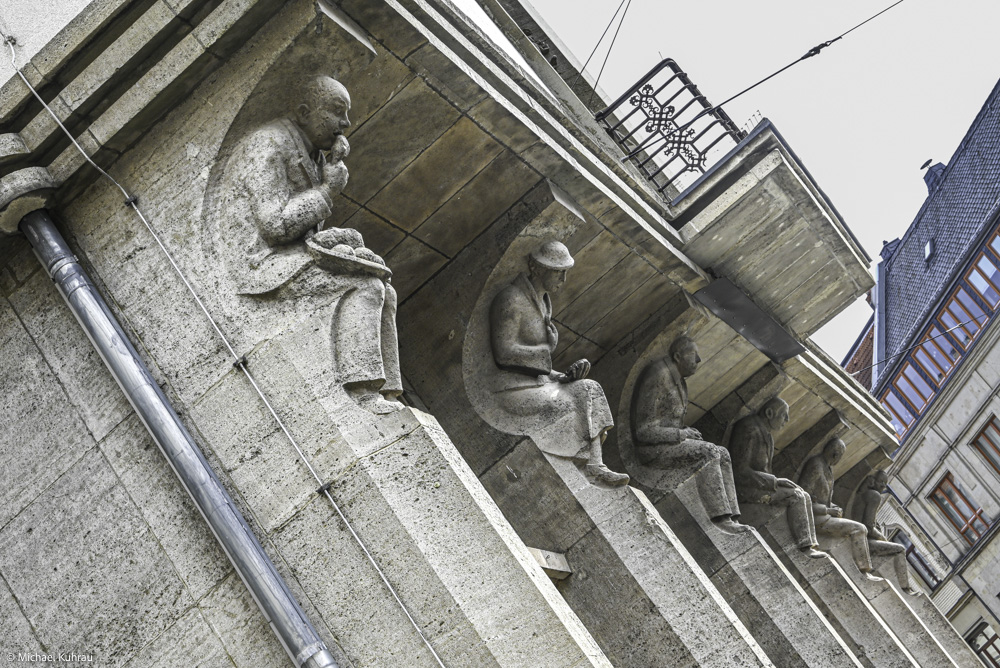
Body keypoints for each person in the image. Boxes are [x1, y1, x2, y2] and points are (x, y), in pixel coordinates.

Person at [219, 75, 401, 414]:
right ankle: (361, 392)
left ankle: (388, 392)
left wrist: (332, 234)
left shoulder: (314, 153)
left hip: (290, 253)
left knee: (387, 290)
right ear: (304, 111)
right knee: (365, 287)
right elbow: (275, 225)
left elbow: (302, 226)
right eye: (336, 112)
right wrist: (329, 191)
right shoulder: (269, 144)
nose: (345, 124)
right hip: (261, 263)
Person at [489, 240, 628, 486]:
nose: (563, 279)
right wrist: (547, 350)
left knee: (589, 387)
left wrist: (560, 376)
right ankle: (584, 465)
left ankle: (595, 465)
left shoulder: (543, 303)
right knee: (567, 404)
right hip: (512, 389)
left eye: (565, 272)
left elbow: (537, 367)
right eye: (558, 271)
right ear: (539, 269)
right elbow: (504, 352)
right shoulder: (511, 299)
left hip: (538, 384)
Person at [631, 336, 749, 533]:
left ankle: (731, 516)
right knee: (709, 452)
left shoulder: (680, 382)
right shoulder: (658, 375)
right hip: (652, 450)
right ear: (677, 356)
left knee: (723, 453)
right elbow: (643, 432)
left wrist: (685, 432)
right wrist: (681, 435)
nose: (699, 360)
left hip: (670, 443)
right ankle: (719, 519)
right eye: (694, 355)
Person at [729, 398, 825, 557]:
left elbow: (766, 470)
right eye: (784, 415)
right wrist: (774, 481)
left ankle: (811, 544)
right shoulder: (749, 428)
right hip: (743, 489)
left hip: (758, 487)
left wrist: (776, 482)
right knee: (795, 497)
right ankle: (804, 547)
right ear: (769, 413)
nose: (787, 421)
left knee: (804, 495)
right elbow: (739, 470)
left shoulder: (768, 436)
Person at [799, 438, 878, 575]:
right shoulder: (816, 465)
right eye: (840, 457)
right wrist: (828, 510)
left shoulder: (828, 470)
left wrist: (834, 508)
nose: (839, 460)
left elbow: (826, 497)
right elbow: (802, 496)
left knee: (857, 529)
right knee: (859, 528)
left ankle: (860, 570)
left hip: (825, 515)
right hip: (815, 517)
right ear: (835, 455)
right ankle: (864, 571)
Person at [853, 470, 919, 594]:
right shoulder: (874, 496)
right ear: (873, 481)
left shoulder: (863, 494)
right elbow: (868, 526)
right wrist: (883, 538)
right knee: (900, 549)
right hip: (864, 541)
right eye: (881, 482)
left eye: (885, 483)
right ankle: (906, 589)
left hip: (860, 539)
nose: (883, 486)